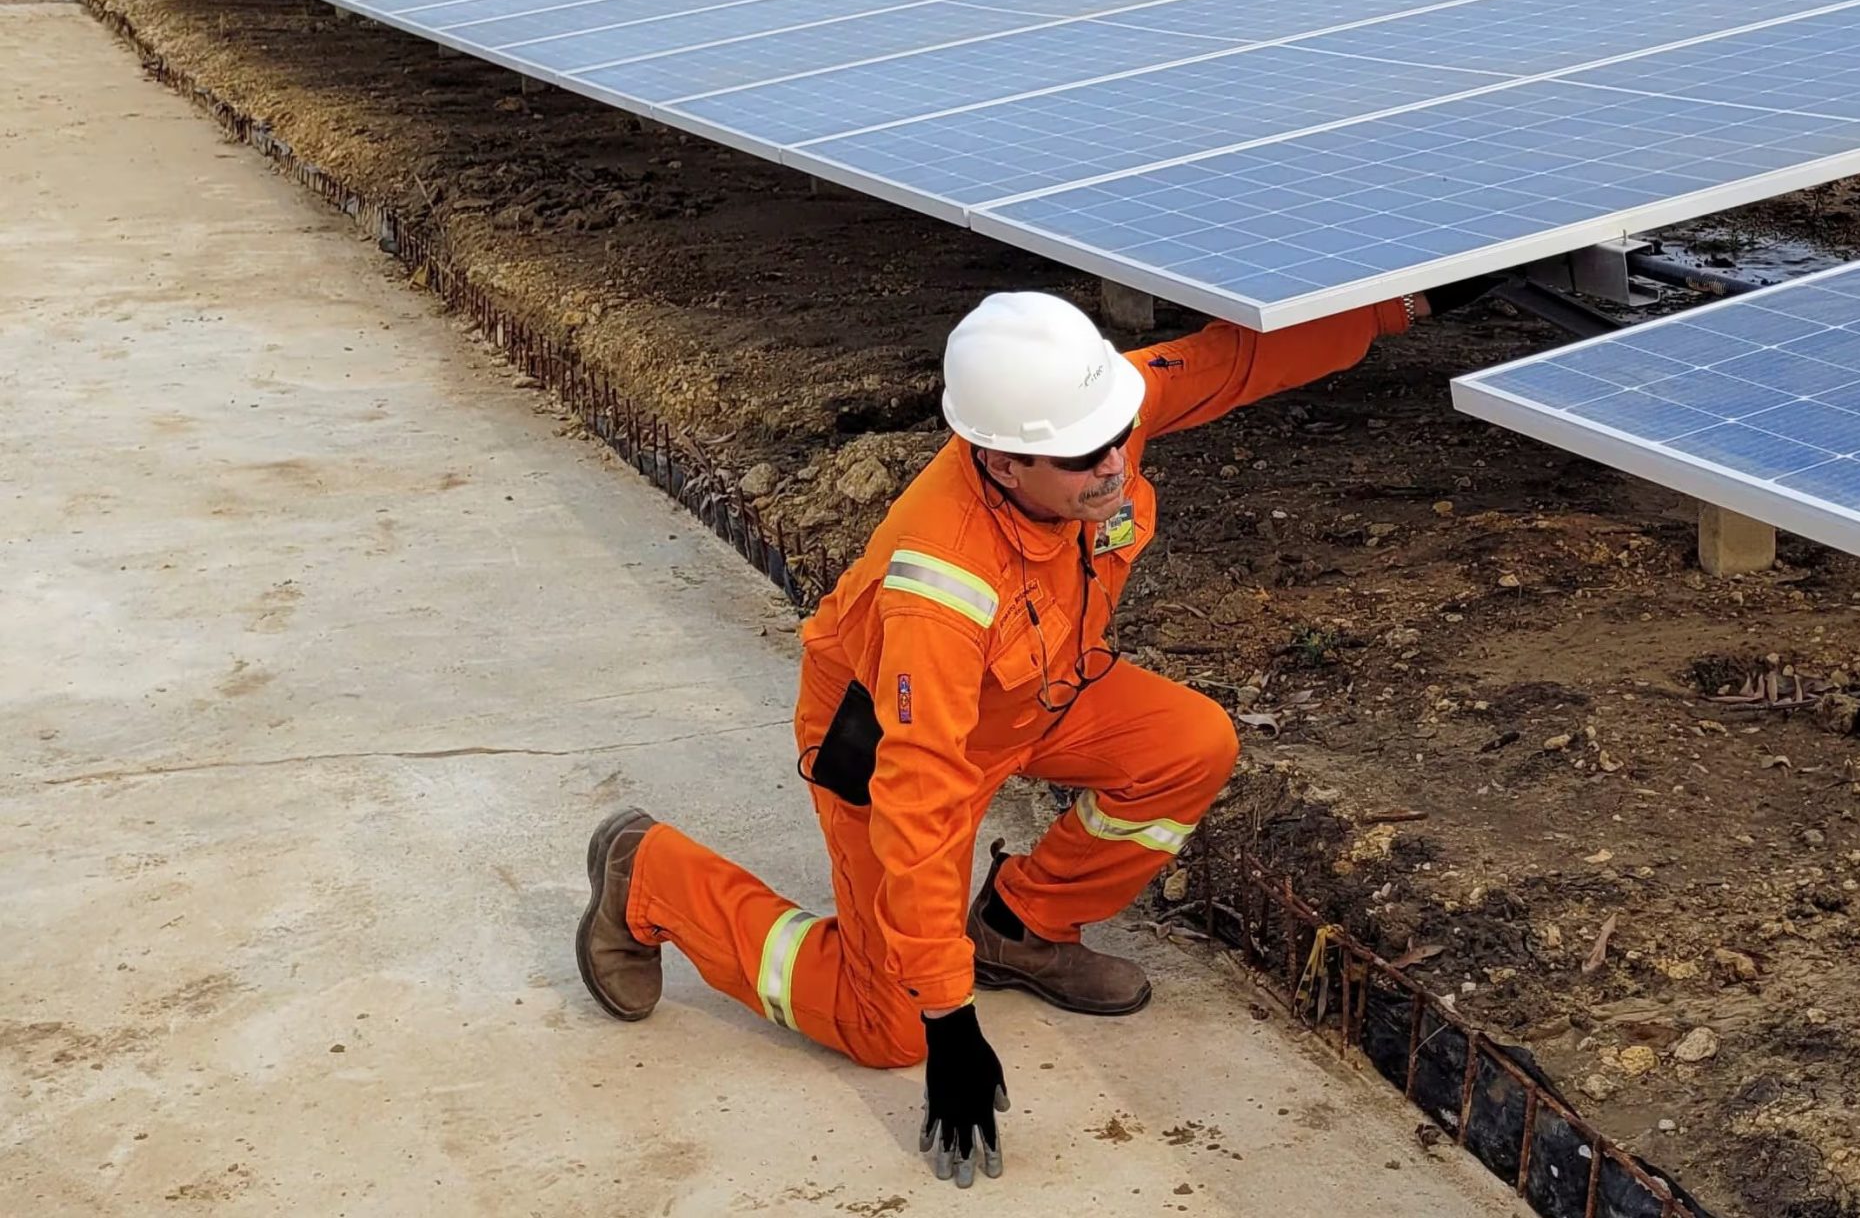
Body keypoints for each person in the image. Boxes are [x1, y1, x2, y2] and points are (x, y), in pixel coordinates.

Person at [572, 281, 1486, 1188]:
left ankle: (1017, 927)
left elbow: (1233, 359)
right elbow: (920, 803)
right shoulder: (941, 587)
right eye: (1087, 458)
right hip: (897, 745)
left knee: (1190, 744)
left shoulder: (1082, 416)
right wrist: (950, 1023)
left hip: (1040, 694)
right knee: (888, 1027)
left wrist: (1402, 306)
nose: (1116, 465)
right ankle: (651, 875)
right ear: (1002, 464)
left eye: (1118, 434)